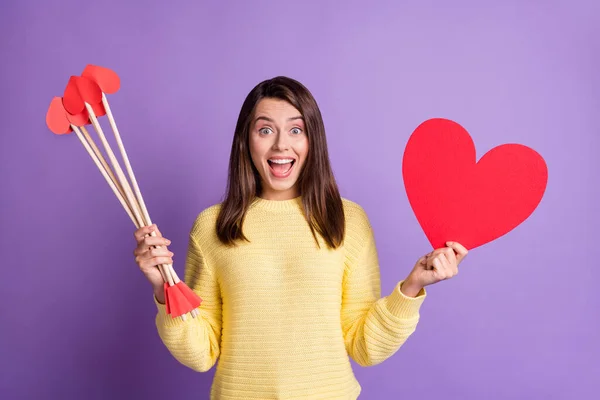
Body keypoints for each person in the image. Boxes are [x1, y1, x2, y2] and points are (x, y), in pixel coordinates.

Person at [132, 76, 468, 399]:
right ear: (246, 141)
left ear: (312, 141)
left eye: (296, 130)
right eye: (265, 130)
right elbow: (201, 352)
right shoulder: (212, 226)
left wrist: (412, 286)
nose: (281, 144)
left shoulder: (347, 220)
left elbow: (364, 345)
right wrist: (163, 289)